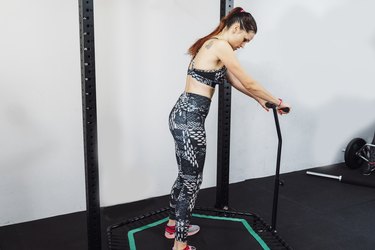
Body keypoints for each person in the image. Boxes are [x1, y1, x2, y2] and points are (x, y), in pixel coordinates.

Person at [166, 7, 291, 250]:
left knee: (185, 176)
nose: (244, 45)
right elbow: (249, 80)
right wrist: (276, 100)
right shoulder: (220, 45)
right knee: (192, 180)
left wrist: (260, 100)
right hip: (189, 120)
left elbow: (236, 83)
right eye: (245, 39)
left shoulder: (214, 46)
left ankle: (173, 226)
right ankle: (180, 245)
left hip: (182, 115)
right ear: (235, 28)